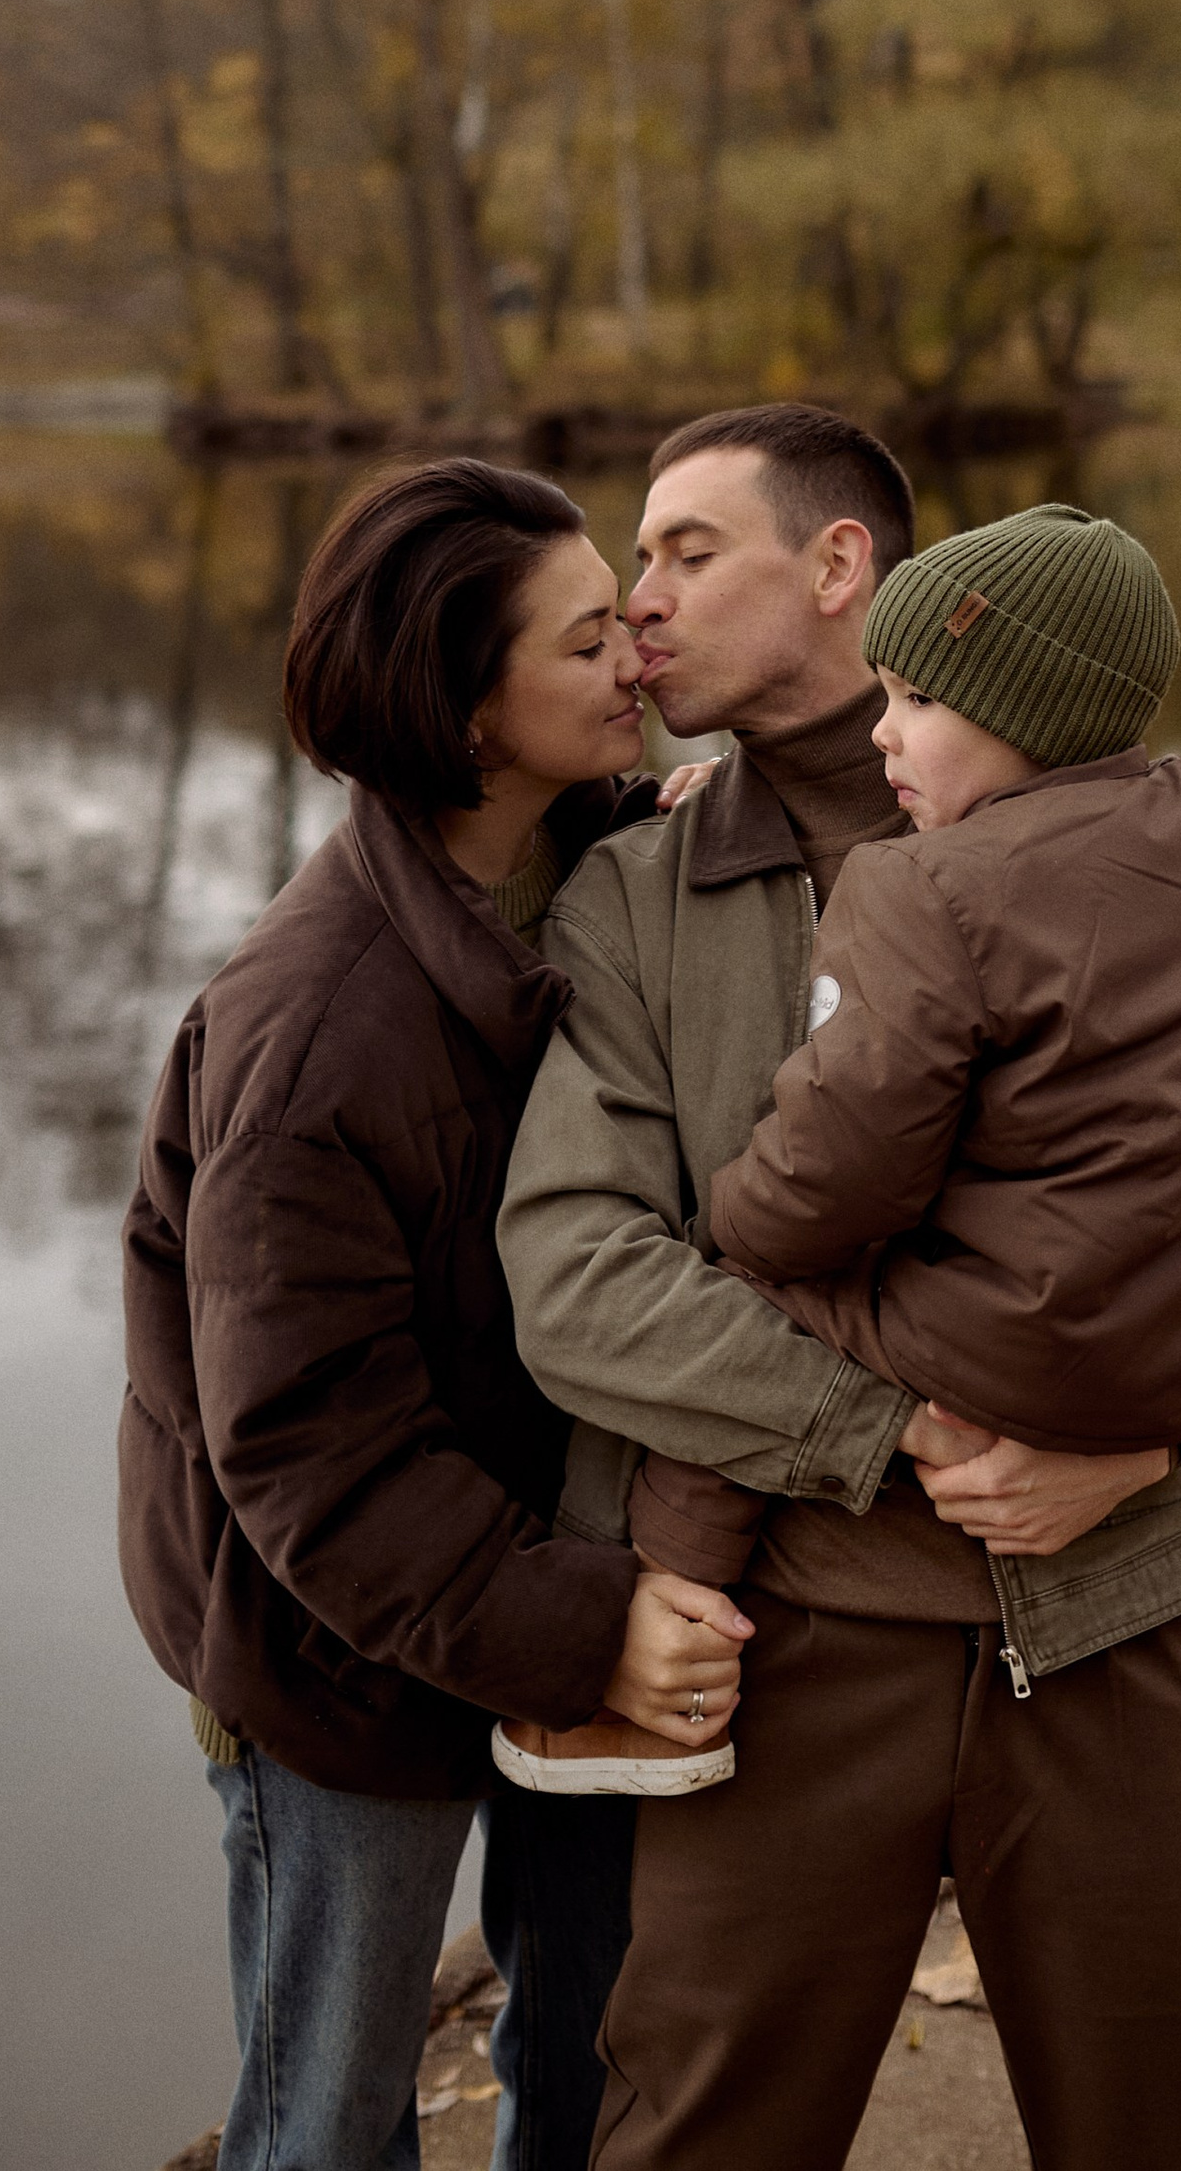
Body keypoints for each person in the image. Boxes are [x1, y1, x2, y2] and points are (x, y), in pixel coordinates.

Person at [494, 407, 1181, 2171]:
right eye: (632, 562)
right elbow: (578, 1273)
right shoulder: (636, 891)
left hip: (1124, 1630)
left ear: (841, 567)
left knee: (1148, 2129)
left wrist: (1145, 1447)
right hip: (793, 1656)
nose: (640, 603)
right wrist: (894, 1419)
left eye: (686, 552)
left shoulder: (1168, 851)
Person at [116, 459, 749, 2171]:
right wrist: (581, 1625)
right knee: (328, 2121)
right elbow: (307, 1450)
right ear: (472, 718)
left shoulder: (596, 871)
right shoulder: (315, 1035)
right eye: (590, 637)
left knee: (592, 2057)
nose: (640, 654)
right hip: (338, 1649)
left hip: (558, 1577)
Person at [618, 500, 1181, 1767]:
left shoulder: (921, 886)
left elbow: (845, 1163)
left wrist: (739, 1212)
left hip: (1025, 1351)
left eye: (916, 699)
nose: (883, 731)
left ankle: (675, 1624)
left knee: (762, 1271)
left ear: (1024, 709)